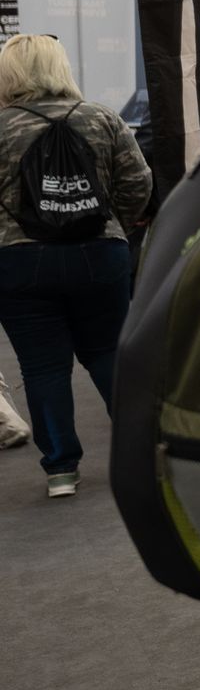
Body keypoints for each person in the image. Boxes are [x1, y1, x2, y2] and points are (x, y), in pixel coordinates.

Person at [0, 34, 152, 496]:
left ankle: (62, 469)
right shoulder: (101, 117)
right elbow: (138, 183)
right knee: (109, 355)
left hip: (19, 263)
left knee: (43, 368)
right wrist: (113, 226)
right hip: (99, 254)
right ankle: (141, 456)